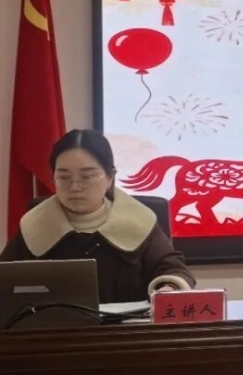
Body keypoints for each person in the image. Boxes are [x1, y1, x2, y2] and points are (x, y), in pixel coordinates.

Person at [1, 129, 195, 303]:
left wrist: (168, 289)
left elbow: (174, 270)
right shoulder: (35, 224)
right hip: (53, 330)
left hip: (128, 329)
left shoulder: (139, 219)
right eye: (64, 177)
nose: (75, 187)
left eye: (87, 176)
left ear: (110, 177)